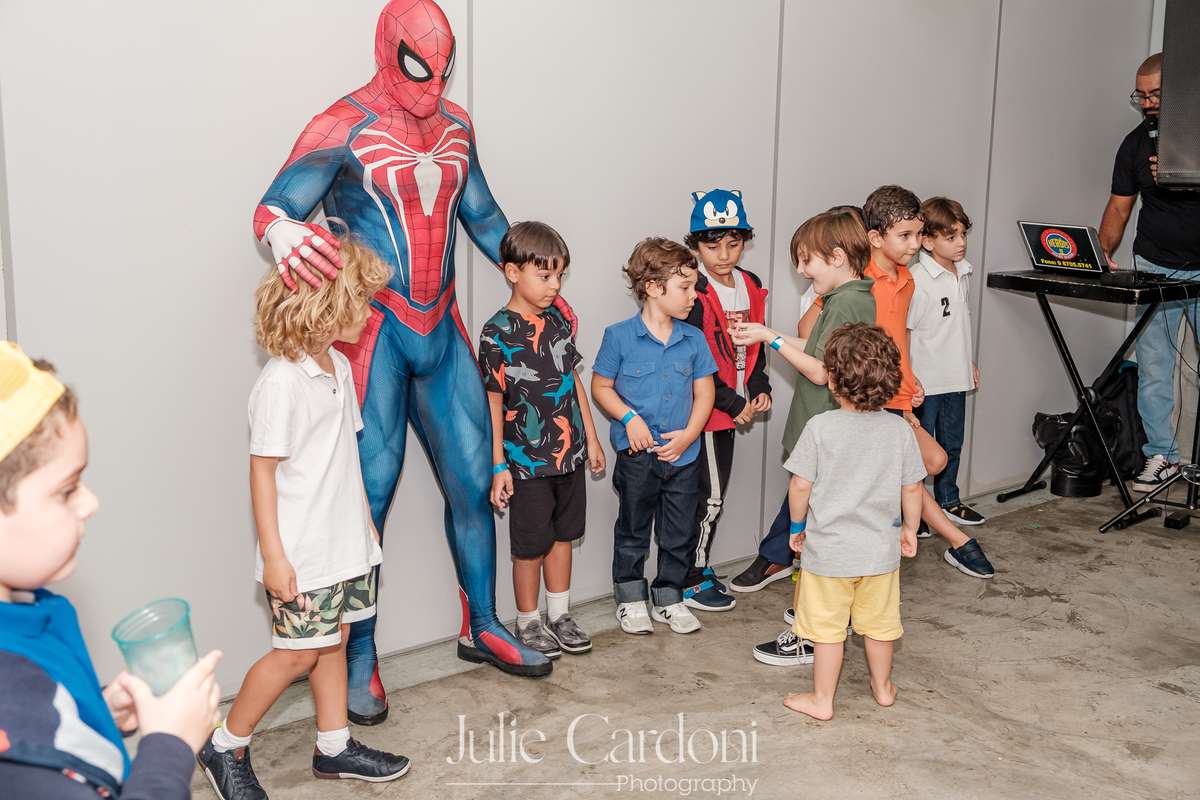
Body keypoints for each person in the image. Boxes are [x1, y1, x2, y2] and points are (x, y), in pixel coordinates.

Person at [253, 0, 560, 720]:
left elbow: (483, 216)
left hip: (440, 323)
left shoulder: (457, 126)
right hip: (374, 331)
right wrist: (281, 233)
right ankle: (359, 658)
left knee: (474, 484)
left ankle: (482, 625)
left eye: (443, 71)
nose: (433, 86)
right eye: (420, 69)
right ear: (388, 50)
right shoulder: (342, 123)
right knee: (367, 498)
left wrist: (541, 279)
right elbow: (273, 207)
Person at [197, 240, 409, 800]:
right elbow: (262, 472)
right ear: (325, 304)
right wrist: (273, 556)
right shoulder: (281, 383)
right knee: (298, 653)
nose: (370, 311)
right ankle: (224, 744)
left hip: (346, 543)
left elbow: (343, 455)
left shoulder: (338, 365)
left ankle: (333, 746)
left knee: (335, 640)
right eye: (362, 300)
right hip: (303, 551)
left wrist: (364, 524)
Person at [0, 344, 223, 799]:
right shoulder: (11, 713)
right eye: (67, 490)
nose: (91, 502)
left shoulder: (29, 615)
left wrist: (97, 711)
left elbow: (48, 728)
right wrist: (169, 749)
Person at [727, 208, 878, 665]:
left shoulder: (847, 303)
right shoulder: (847, 297)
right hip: (827, 431)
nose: (801, 270)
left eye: (807, 260)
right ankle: (818, 625)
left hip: (828, 434)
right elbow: (815, 350)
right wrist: (768, 335)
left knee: (814, 543)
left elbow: (821, 372)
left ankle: (812, 635)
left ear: (837, 257)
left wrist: (768, 338)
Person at [781, 323, 925, 721]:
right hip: (880, 553)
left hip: (829, 554)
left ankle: (822, 700)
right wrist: (909, 530)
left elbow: (800, 486)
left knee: (828, 630)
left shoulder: (820, 428)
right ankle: (883, 688)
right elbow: (913, 488)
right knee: (879, 626)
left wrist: (797, 528)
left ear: (833, 379)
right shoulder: (899, 430)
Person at [480, 221, 605, 660]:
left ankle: (560, 616)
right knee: (530, 546)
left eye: (559, 276)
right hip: (525, 463)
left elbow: (573, 381)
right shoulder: (496, 332)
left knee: (563, 537)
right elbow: (493, 401)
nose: (555, 285)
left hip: (569, 457)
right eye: (545, 275)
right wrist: (498, 464)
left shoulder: (557, 322)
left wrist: (592, 439)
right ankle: (528, 620)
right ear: (513, 272)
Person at [590, 238, 717, 635]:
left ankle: (669, 597)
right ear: (653, 287)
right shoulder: (619, 336)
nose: (693, 296)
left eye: (694, 287)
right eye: (685, 287)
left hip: (684, 456)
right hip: (637, 457)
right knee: (633, 530)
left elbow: (705, 393)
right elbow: (600, 387)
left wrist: (690, 435)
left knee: (679, 532)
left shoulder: (694, 339)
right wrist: (629, 418)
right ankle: (630, 599)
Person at [1099, 52, 1200, 492]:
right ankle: (1163, 456)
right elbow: (1119, 207)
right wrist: (1102, 251)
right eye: (1140, 96)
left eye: (1155, 94)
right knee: (1155, 368)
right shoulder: (1135, 144)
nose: (1147, 103)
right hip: (1155, 266)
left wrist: (1189, 179)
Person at [680, 190, 772, 612]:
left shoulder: (750, 284)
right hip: (704, 408)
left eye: (733, 244)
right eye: (712, 246)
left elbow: (756, 343)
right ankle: (691, 577)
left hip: (731, 405)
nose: (723, 255)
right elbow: (694, 359)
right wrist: (732, 402)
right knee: (709, 496)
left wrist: (759, 385)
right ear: (696, 245)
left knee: (709, 495)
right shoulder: (693, 290)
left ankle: (695, 566)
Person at [908, 196, 984, 525]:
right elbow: (906, 330)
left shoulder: (962, 272)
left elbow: (958, 325)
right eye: (951, 237)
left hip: (956, 377)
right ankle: (915, 513)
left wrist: (969, 361)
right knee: (920, 452)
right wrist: (907, 375)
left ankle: (949, 501)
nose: (961, 242)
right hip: (925, 382)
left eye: (963, 234)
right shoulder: (918, 278)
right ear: (927, 241)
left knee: (952, 444)